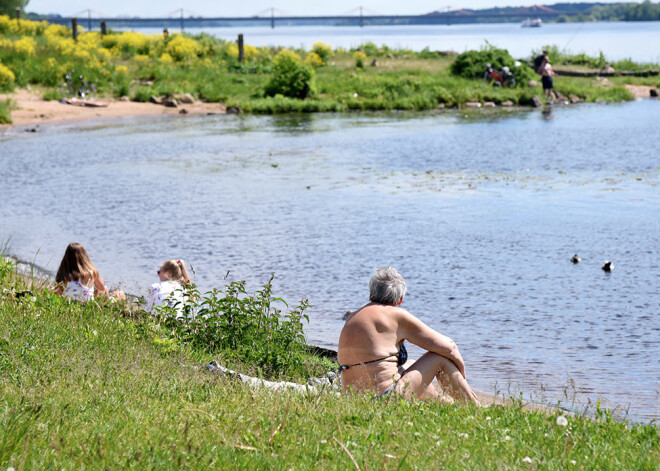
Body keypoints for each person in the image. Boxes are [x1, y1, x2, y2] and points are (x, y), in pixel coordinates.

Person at [338, 267, 479, 404]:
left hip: (354, 401)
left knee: (411, 363)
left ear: (370, 294)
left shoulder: (353, 317)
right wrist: (462, 373)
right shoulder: (396, 316)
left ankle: (444, 404)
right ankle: (473, 406)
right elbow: (449, 347)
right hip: (383, 400)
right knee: (438, 357)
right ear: (400, 299)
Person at [54, 242, 125, 302]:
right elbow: (102, 287)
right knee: (118, 293)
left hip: (71, 307)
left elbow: (57, 294)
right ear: (84, 257)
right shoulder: (92, 273)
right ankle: (115, 311)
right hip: (89, 308)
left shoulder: (63, 274)